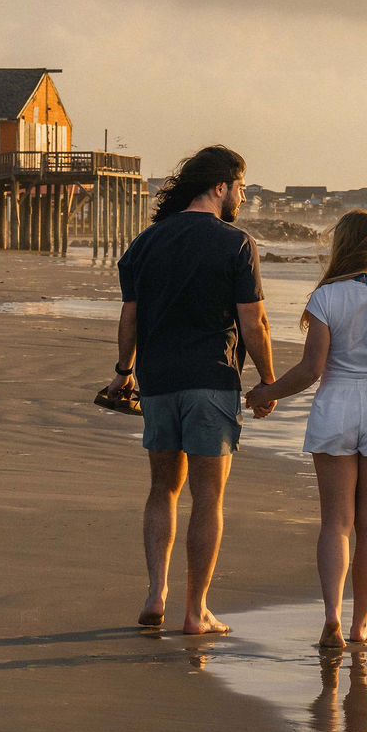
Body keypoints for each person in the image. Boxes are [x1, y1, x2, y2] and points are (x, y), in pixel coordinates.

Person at [109, 145, 276, 635]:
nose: (242, 196)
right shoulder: (236, 243)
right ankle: (195, 609)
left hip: (158, 385)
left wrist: (125, 370)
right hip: (211, 382)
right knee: (208, 498)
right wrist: (268, 381)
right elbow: (254, 321)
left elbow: (130, 315)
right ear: (221, 186)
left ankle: (155, 591)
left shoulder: (145, 242)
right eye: (241, 187)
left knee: (162, 488)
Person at [248, 211, 367, 649]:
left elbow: (312, 369)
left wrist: (266, 392)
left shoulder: (325, 298)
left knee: (336, 522)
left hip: (335, 407)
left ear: (341, 246)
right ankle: (359, 625)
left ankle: (332, 615)